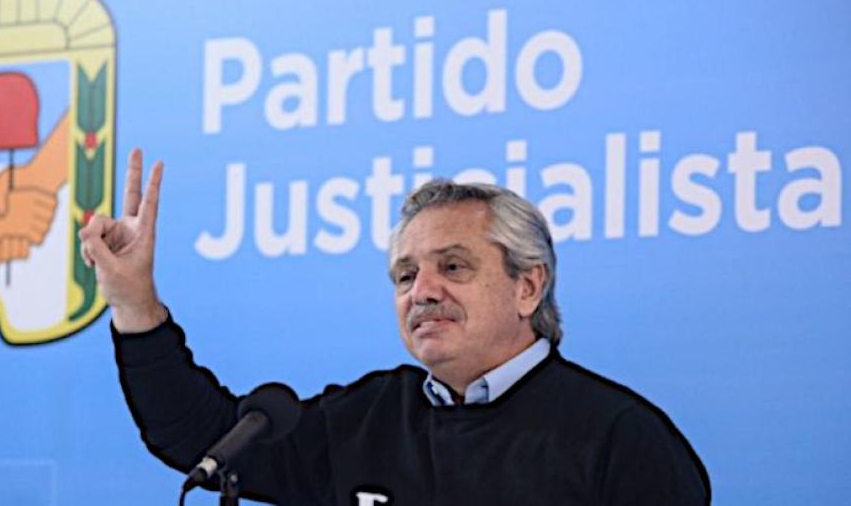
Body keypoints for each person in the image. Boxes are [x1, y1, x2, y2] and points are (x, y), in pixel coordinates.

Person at [79, 150, 710, 505]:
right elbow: (200, 435)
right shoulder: (367, 417)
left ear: (528, 286)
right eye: (405, 275)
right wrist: (134, 300)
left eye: (453, 267)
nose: (422, 292)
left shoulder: (621, 439)